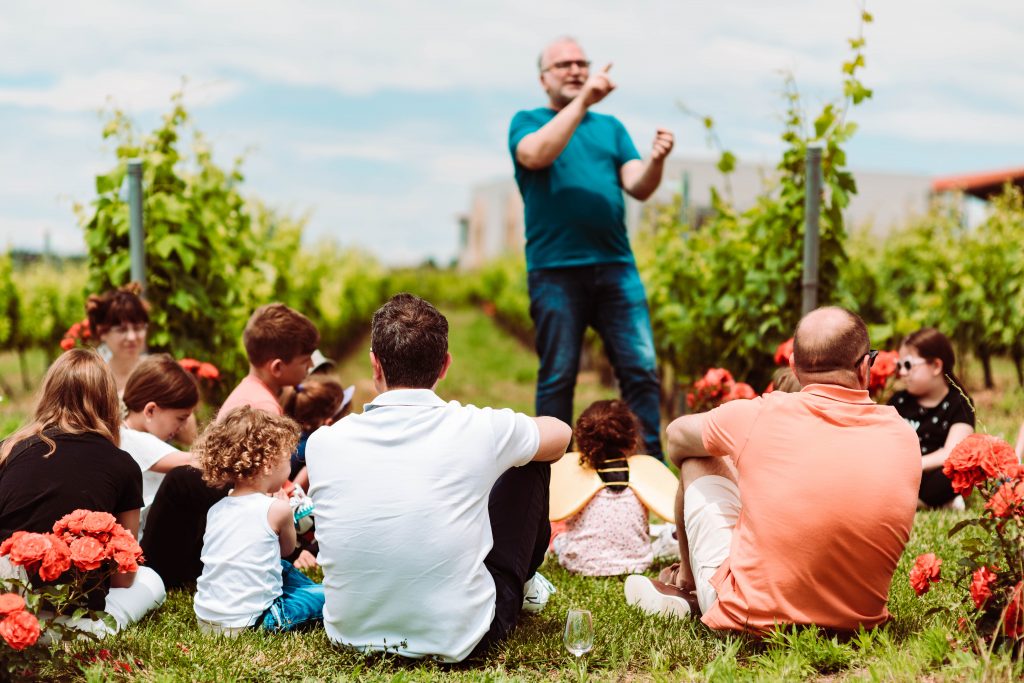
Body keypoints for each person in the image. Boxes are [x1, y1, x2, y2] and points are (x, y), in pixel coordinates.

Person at [307, 293, 572, 662]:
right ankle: (523, 584)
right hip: (465, 638)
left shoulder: (323, 443)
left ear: (375, 365)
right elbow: (560, 435)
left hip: (348, 633)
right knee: (532, 462)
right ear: (445, 365)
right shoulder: (479, 427)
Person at [624, 307, 921, 635]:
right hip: (858, 624)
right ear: (866, 366)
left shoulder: (760, 414)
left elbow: (676, 439)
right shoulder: (903, 434)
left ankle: (688, 585)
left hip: (749, 621)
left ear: (793, 366)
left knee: (699, 460)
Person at [509, 36, 674, 460]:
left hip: (616, 267)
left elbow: (638, 185)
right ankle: (553, 474)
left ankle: (645, 471)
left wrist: (656, 160)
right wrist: (582, 102)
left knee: (640, 372)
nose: (576, 70)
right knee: (559, 376)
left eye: (582, 63)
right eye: (563, 65)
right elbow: (535, 156)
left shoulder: (611, 128)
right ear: (543, 78)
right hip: (555, 272)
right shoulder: (527, 121)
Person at [141, 303, 320, 589]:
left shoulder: (254, 390)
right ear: (277, 367)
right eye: (306, 360)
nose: (311, 366)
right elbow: (266, 479)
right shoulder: (261, 406)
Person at [0, 349, 165, 631]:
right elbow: (124, 576)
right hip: (72, 619)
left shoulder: (9, 448)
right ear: (108, 401)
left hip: (8, 606)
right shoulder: (122, 465)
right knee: (151, 581)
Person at [193, 406, 325, 636]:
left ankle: (310, 590)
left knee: (281, 569)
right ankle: (316, 592)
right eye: (287, 460)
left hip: (207, 621)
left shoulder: (216, 509)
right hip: (253, 622)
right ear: (268, 465)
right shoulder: (277, 509)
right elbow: (286, 549)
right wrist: (285, 509)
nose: (289, 467)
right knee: (331, 597)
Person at [551, 399, 674, 576]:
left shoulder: (578, 477)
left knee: (556, 527)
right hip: (637, 563)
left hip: (579, 564)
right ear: (633, 440)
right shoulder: (643, 475)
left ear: (582, 443)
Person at [887, 328, 975, 509]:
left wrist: (916, 465)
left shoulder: (959, 404)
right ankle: (929, 503)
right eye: (899, 365)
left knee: (960, 471)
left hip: (933, 472)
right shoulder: (898, 401)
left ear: (936, 366)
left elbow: (953, 452)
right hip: (898, 472)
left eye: (908, 365)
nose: (902, 372)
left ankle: (914, 501)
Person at [120, 354, 199, 538]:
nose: (183, 427)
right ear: (150, 410)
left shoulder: (128, 435)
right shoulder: (131, 439)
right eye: (180, 418)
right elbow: (196, 461)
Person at [282, 376, 354, 490]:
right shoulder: (312, 452)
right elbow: (294, 492)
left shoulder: (297, 439)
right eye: (346, 414)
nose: (350, 417)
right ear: (329, 423)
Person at [86, 283, 150, 394]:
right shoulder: (92, 379)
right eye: (122, 330)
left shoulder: (155, 375)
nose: (131, 337)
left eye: (138, 328)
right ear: (102, 332)